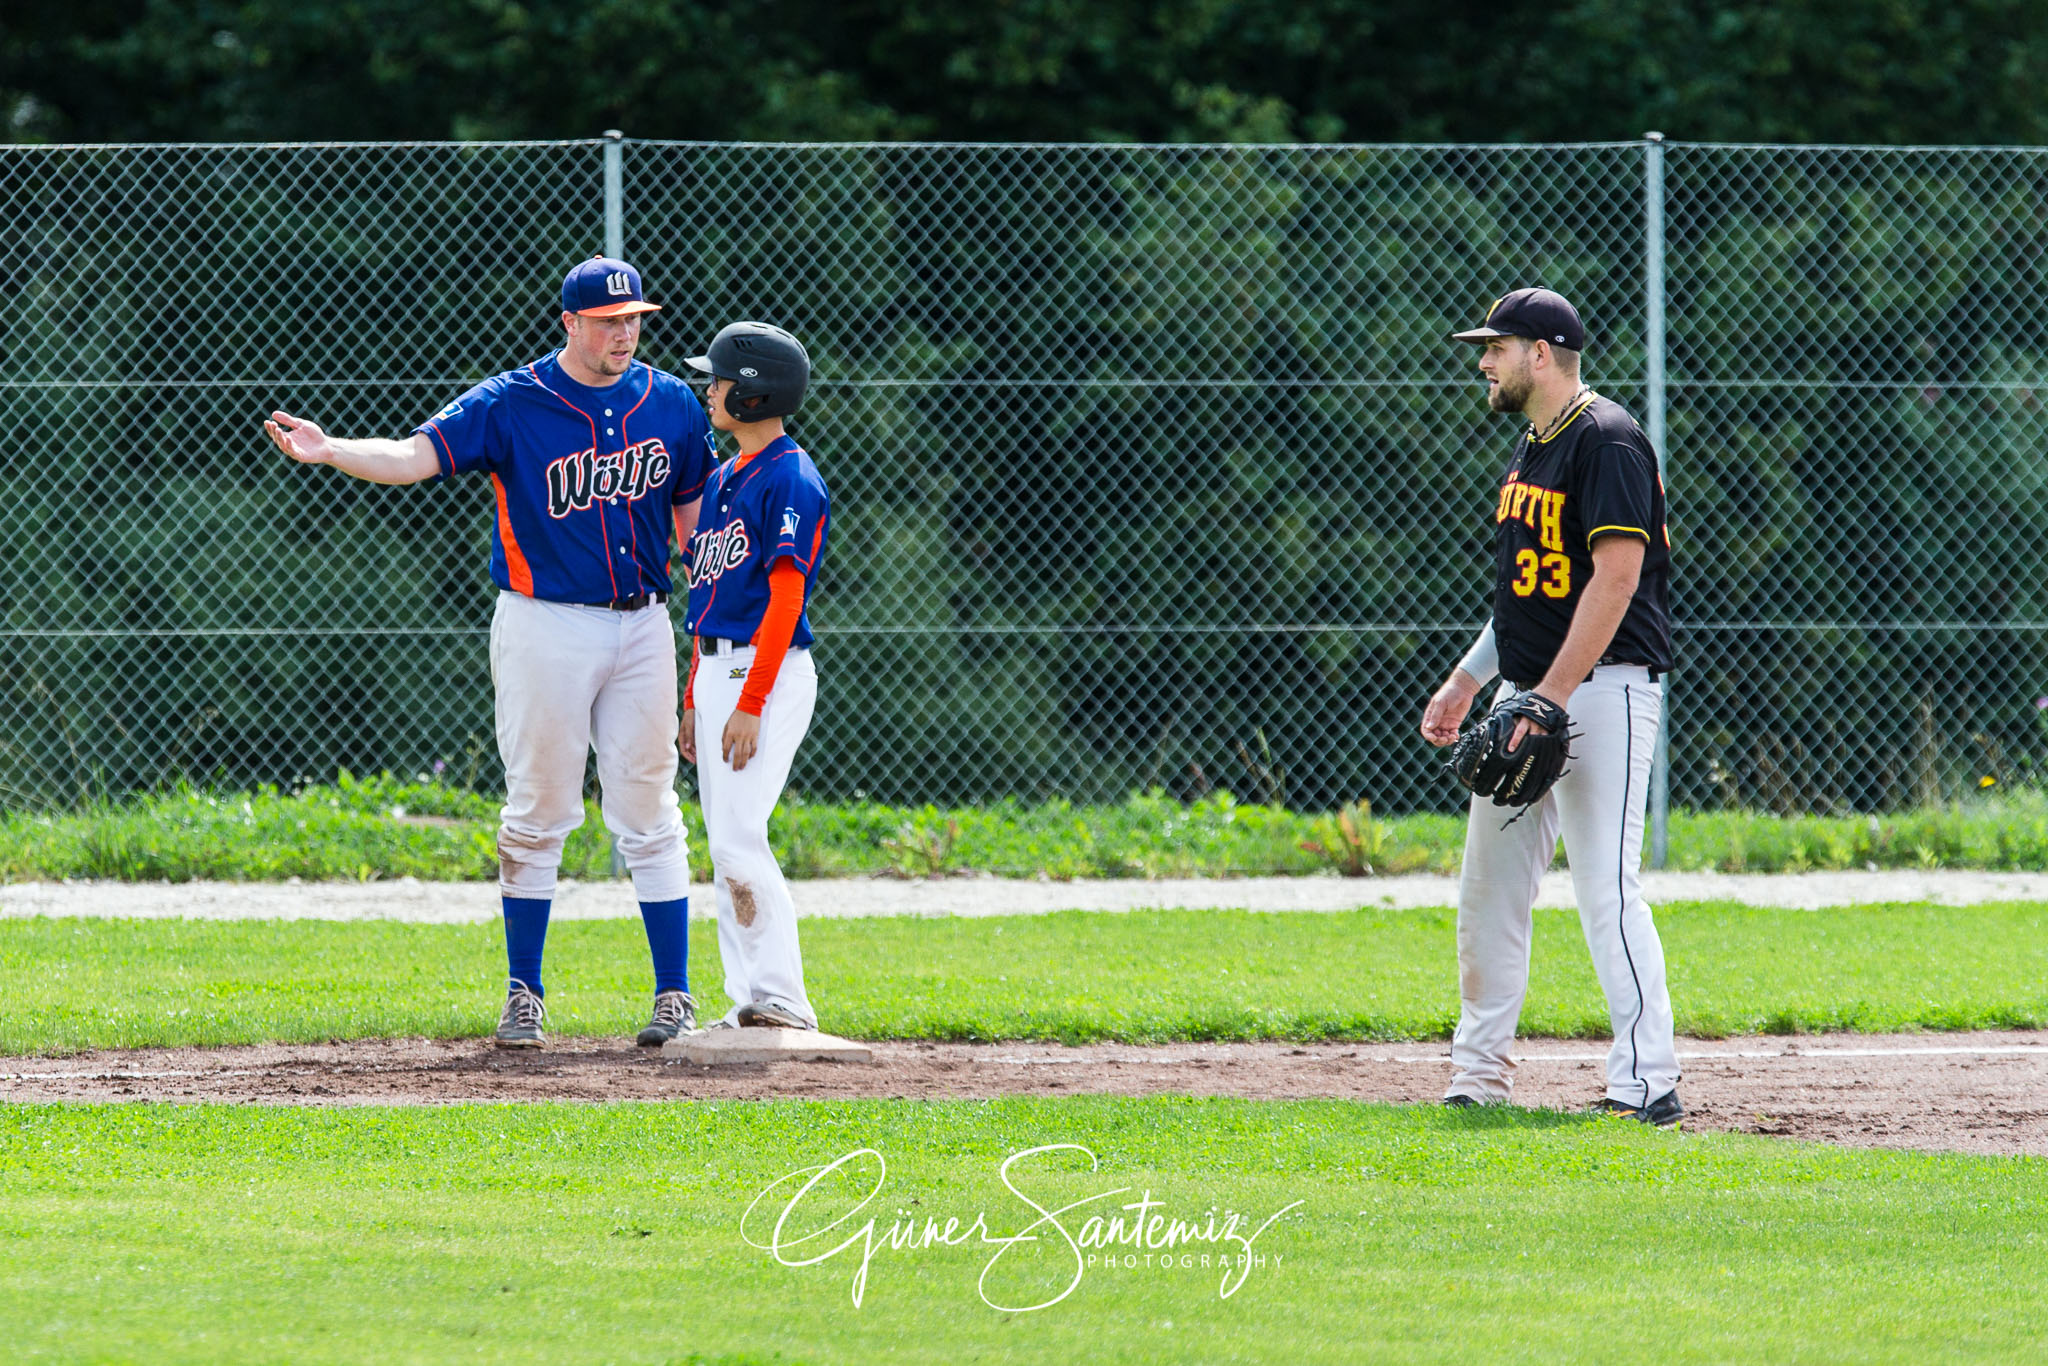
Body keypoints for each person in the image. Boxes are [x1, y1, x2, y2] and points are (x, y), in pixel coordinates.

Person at [264, 256, 716, 1051]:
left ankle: (675, 995)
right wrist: (330, 449)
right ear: (570, 322)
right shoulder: (514, 402)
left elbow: (693, 530)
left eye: (634, 317)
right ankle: (524, 992)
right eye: (609, 320)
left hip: (645, 624)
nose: (625, 332)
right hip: (545, 623)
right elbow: (412, 458)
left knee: (649, 811)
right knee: (539, 809)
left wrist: (706, 636)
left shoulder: (673, 403)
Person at [1420, 287, 1683, 1126]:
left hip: (1602, 689)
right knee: (1490, 887)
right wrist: (1469, 681)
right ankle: (1477, 1077)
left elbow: (1616, 582)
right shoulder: (1533, 447)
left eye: (1496, 347)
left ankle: (1648, 1083)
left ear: (1542, 354)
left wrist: (1549, 698)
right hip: (1527, 692)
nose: (1483, 361)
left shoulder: (1605, 442)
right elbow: (1524, 598)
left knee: (1606, 884)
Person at [679, 322, 830, 1030]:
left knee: (739, 837)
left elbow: (786, 596)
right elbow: (706, 599)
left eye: (719, 380)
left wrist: (750, 699)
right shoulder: (722, 477)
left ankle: (782, 1000)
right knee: (723, 841)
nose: (710, 389)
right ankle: (750, 1001)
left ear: (753, 392)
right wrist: (693, 698)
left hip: (760, 673)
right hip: (717, 672)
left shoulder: (791, 478)